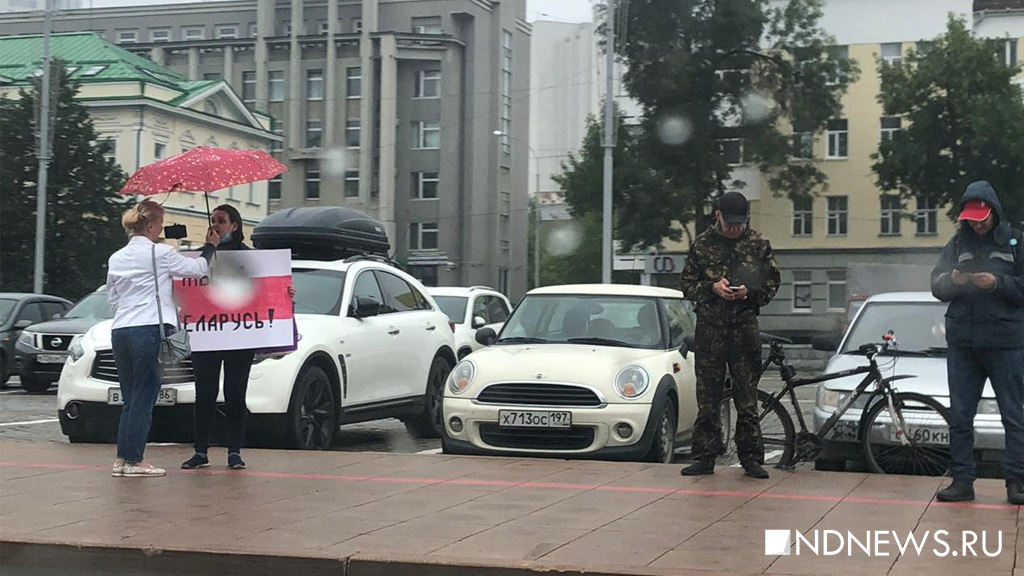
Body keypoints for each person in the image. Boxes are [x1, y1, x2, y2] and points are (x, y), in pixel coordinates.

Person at [107, 200, 217, 478]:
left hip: (121, 330)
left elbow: (113, 298)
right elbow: (197, 270)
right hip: (150, 328)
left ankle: (122, 459)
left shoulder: (117, 257)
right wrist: (210, 247)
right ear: (153, 226)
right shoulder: (161, 252)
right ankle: (135, 460)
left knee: (130, 397)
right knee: (145, 394)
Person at [931, 181, 1024, 504]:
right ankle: (962, 481)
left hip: (1005, 342)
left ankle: (1016, 482)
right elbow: (937, 285)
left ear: (994, 212)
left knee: (1013, 416)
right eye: (971, 218)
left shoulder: (1016, 241)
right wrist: (953, 281)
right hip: (963, 343)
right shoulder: (957, 244)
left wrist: (998, 283)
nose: (976, 223)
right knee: (960, 415)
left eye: (981, 217)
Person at [181, 205, 293, 471]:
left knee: (235, 394)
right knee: (204, 395)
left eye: (221, 221)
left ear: (235, 226)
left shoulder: (251, 258)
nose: (216, 224)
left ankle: (234, 451)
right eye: (213, 220)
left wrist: (285, 292)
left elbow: (266, 292)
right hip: (207, 335)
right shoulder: (201, 256)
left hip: (239, 336)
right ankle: (200, 451)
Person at [678, 192, 781, 479]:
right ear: (718, 216)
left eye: (740, 223)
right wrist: (712, 288)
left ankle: (751, 457)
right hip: (710, 328)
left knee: (746, 397)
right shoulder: (702, 245)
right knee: (708, 397)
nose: (735, 229)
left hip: (744, 328)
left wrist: (750, 293)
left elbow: (773, 283)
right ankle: (704, 457)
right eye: (729, 223)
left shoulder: (758, 244)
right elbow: (687, 284)